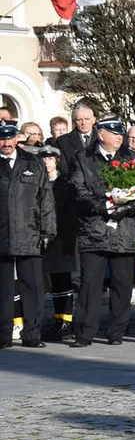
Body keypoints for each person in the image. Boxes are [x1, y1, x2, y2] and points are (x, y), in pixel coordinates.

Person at [69, 114, 135, 347]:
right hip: (94, 230)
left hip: (124, 231)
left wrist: (122, 209)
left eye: (121, 133)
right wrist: (103, 207)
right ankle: (84, 333)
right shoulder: (83, 158)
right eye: (114, 133)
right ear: (101, 135)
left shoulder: (131, 159)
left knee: (122, 285)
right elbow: (78, 190)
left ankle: (116, 332)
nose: (119, 136)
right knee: (90, 285)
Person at [0, 121, 55, 349]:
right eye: (1, 139)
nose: (5, 143)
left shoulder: (32, 162)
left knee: (32, 287)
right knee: (2, 289)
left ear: (17, 138)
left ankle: (32, 334)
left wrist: (47, 230)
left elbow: (46, 199)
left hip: (29, 232)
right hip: (2, 233)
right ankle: (3, 336)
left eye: (9, 138)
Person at [37, 144, 78, 342]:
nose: (47, 162)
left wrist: (70, 243)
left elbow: (70, 217)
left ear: (57, 161)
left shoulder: (65, 184)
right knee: (53, 283)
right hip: (43, 237)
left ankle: (66, 321)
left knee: (63, 281)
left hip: (62, 238)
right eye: (43, 159)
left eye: (50, 159)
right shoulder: (36, 182)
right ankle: (57, 319)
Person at [58, 104, 98, 176]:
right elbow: (63, 167)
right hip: (74, 182)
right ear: (74, 122)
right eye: (79, 120)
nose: (83, 123)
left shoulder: (102, 138)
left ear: (93, 120)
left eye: (87, 119)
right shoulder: (63, 141)